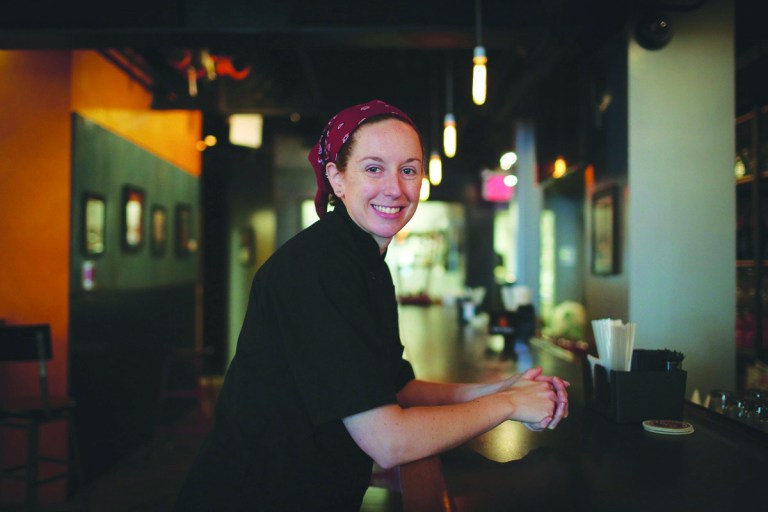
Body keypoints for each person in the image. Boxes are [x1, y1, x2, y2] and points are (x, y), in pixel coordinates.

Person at [173, 99, 569, 511]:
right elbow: (388, 441)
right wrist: (508, 405)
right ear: (337, 178)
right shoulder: (318, 268)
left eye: (409, 170)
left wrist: (498, 388)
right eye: (373, 168)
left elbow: (396, 388)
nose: (395, 188)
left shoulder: (363, 262)